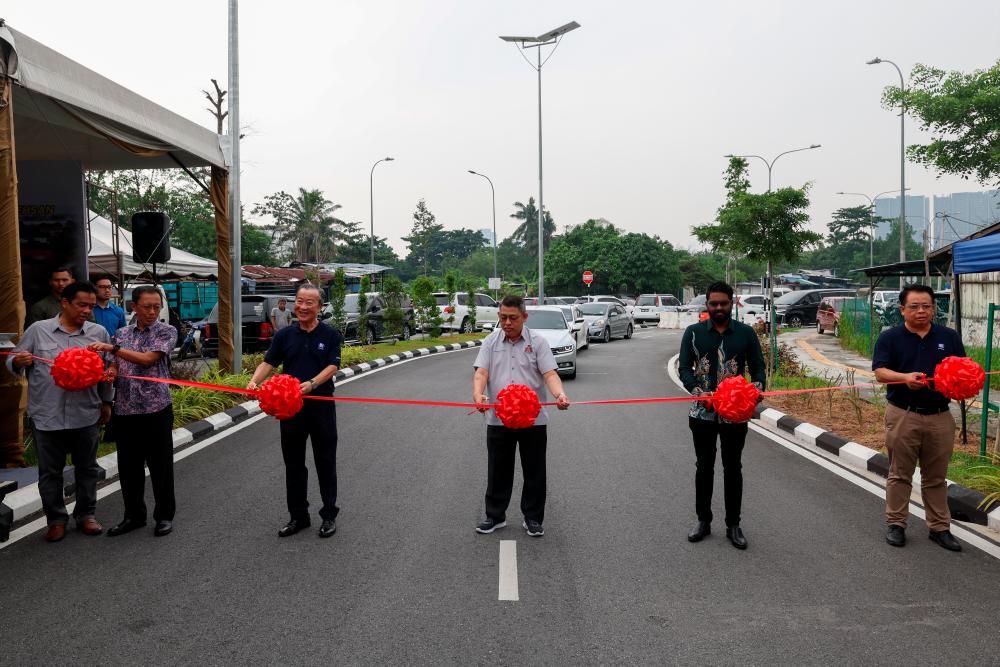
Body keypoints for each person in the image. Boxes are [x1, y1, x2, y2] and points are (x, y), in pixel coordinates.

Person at [6, 281, 113, 542]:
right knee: (49, 472)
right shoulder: (38, 331)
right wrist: (17, 361)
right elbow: (14, 360)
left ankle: (86, 515)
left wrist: (107, 402)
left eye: (90, 305)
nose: (87, 310)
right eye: (81, 305)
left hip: (85, 413)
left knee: (87, 468)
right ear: (64, 302)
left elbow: (108, 371)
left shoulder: (98, 333)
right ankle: (55, 519)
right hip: (47, 415)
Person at [872, 284, 964, 552]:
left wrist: (962, 384)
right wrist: (904, 378)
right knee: (900, 474)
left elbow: (962, 369)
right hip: (903, 414)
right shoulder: (890, 338)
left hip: (940, 417)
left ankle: (939, 528)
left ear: (934, 308)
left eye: (926, 306)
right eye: (914, 306)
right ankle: (896, 524)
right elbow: (880, 372)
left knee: (936, 477)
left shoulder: (949, 336)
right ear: (902, 309)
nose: (921, 311)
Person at [248, 284, 343, 538]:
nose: (302, 307)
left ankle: (329, 515)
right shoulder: (285, 335)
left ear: (319, 307)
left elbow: (333, 366)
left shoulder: (331, 335)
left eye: (309, 302)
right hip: (290, 411)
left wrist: (312, 383)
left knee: (325, 462)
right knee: (294, 465)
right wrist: (255, 381)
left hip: (321, 408)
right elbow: (269, 362)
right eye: (299, 301)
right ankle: (298, 516)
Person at [472, 295, 570, 538]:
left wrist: (559, 395)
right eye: (502, 317)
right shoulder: (490, 342)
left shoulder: (538, 343)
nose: (507, 322)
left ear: (524, 317)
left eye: (513, 318)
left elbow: (550, 374)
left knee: (535, 470)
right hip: (499, 418)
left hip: (532, 420)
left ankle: (533, 518)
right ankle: (495, 516)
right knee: (498, 469)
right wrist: (478, 394)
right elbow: (481, 372)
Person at [678, 281, 765, 550]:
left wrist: (756, 392)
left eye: (723, 303)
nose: (718, 308)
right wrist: (697, 391)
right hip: (701, 414)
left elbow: (759, 369)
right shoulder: (693, 333)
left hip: (735, 416)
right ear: (707, 304)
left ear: (732, 303)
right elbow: (684, 368)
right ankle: (703, 521)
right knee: (703, 468)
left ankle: (733, 524)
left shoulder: (746, 334)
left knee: (733, 468)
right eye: (713, 303)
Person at [88, 285, 178, 538]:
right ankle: (134, 516)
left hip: (156, 409)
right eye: (147, 307)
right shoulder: (121, 334)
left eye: (156, 307)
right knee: (129, 468)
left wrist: (112, 350)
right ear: (133, 306)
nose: (152, 312)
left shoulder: (167, 331)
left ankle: (163, 516)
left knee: (161, 466)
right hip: (126, 410)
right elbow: (117, 365)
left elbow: (148, 359)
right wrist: (111, 371)